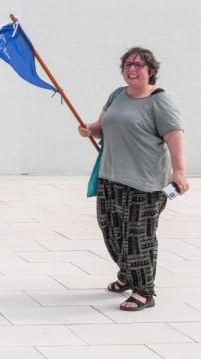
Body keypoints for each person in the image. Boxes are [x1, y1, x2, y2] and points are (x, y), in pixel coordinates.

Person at [79, 47, 187, 311]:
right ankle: (128, 274)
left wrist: (179, 171)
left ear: (151, 70)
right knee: (112, 232)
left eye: (139, 65)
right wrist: (88, 129)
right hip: (110, 177)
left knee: (138, 237)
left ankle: (143, 291)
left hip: (145, 182)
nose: (132, 69)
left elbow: (174, 135)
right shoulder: (117, 95)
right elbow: (101, 126)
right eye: (127, 64)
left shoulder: (160, 100)